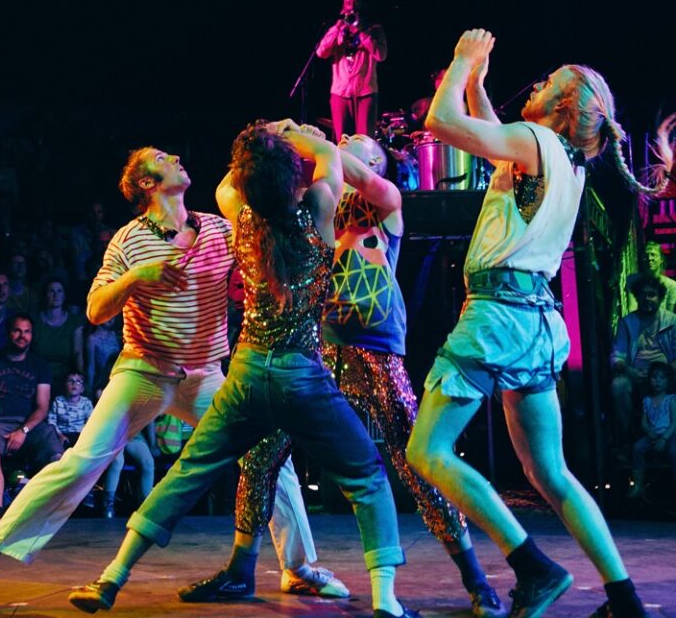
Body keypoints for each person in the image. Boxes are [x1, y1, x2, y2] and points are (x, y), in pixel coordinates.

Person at [0, 146, 338, 615]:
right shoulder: (129, 240)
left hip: (204, 376)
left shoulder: (218, 227)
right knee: (80, 463)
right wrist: (138, 276)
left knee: (268, 454)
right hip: (145, 373)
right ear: (146, 184)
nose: (175, 155)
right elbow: (95, 309)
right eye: (161, 157)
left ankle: (297, 567)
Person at [67, 123, 416, 618]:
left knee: (186, 474)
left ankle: (113, 576)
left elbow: (228, 184)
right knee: (366, 476)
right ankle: (387, 600)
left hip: (248, 374)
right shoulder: (318, 212)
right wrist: (294, 133)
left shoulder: (244, 219)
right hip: (302, 375)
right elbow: (328, 160)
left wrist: (263, 140)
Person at [405, 28, 666, 618]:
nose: (539, 83)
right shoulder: (564, 161)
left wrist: (460, 61)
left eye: (550, 82)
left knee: (427, 452)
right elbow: (494, 139)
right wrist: (478, 84)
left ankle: (532, 565)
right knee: (550, 472)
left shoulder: (534, 142)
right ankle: (624, 598)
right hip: (538, 324)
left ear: (562, 106)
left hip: (497, 318)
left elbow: (440, 124)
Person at [214, 126, 504, 618]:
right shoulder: (308, 204)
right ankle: (241, 570)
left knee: (415, 458)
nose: (346, 140)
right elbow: (238, 189)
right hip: (315, 351)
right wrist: (284, 147)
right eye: (343, 143)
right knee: (262, 455)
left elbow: (370, 181)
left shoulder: (384, 204)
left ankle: (476, 578)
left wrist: (303, 139)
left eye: (362, 149)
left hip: (375, 351)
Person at [0, 313, 63, 522]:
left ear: (32, 335)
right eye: (17, 330)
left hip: (30, 424)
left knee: (56, 451)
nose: (22, 335)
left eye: (27, 331)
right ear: (8, 333)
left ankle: (50, 511)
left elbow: (42, 407)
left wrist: (23, 431)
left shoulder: (39, 365)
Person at [610, 274, 676, 441]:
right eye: (643, 294)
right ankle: (629, 436)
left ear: (660, 298)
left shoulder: (672, 320)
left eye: (652, 294)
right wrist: (628, 370)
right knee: (618, 385)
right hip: (636, 374)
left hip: (665, 375)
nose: (647, 299)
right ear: (637, 296)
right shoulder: (627, 322)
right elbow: (617, 355)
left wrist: (665, 374)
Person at [317, 0, 388, 141]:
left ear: (362, 5)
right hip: (340, 92)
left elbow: (381, 55)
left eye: (356, 2)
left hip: (365, 92)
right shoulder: (337, 30)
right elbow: (321, 52)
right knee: (343, 141)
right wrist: (337, 28)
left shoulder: (374, 29)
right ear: (343, 7)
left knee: (364, 142)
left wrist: (360, 31)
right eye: (348, 3)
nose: (353, 6)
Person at [626, 360, 676, 499]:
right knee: (637, 448)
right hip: (653, 434)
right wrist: (649, 431)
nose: (657, 381)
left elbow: (674, 422)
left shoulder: (671, 399)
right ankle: (638, 485)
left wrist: (664, 438)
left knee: (674, 451)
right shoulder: (647, 400)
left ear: (668, 380)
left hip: (669, 434)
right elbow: (644, 421)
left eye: (662, 378)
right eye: (654, 377)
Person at [31, 275, 85, 397]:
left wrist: (80, 378)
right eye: (51, 291)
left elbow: (78, 353)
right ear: (45, 295)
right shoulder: (34, 321)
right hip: (38, 378)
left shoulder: (74, 322)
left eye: (59, 291)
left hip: (64, 379)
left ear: (64, 295)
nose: (56, 295)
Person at [627, 242, 676, 314]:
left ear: (661, 259)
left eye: (653, 255)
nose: (649, 258)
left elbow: (669, 315)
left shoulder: (672, 285)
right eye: (645, 256)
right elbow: (632, 308)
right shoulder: (633, 280)